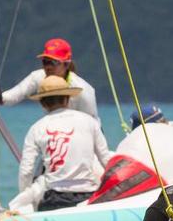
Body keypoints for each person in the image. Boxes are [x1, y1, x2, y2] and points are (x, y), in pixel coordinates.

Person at [9, 75, 109, 212]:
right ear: (67, 99)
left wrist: (26, 199)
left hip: (54, 198)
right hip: (88, 197)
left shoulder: (37, 128)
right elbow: (106, 161)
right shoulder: (90, 122)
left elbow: (26, 170)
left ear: (42, 103)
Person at [0, 38, 99, 120]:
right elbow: (14, 95)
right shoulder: (37, 77)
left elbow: (92, 125)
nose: (48, 67)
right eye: (45, 62)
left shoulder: (83, 90)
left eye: (54, 62)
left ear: (66, 64)